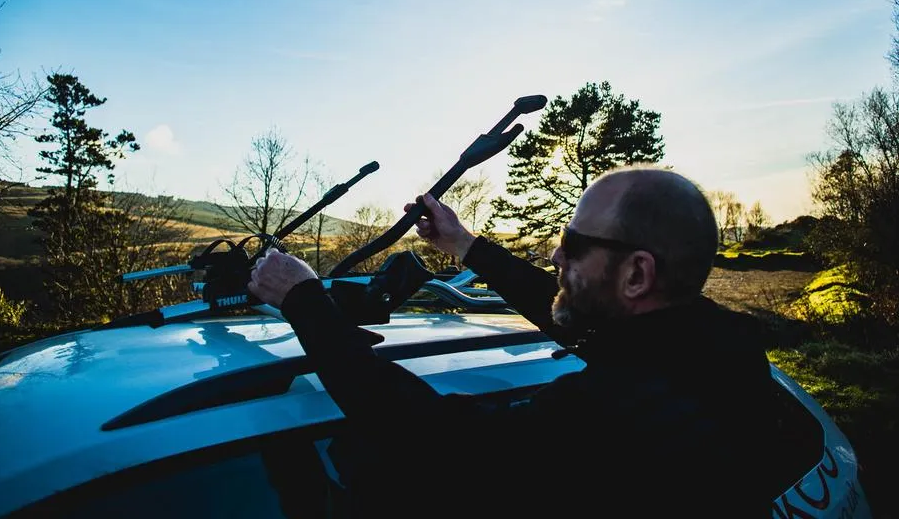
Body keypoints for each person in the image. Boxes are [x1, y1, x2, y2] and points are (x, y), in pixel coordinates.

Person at [248, 165, 777, 518]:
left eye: (572, 245)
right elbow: (578, 315)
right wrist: (464, 244)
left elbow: (428, 438)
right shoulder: (723, 350)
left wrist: (305, 302)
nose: (556, 258)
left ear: (637, 275)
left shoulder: (613, 417)